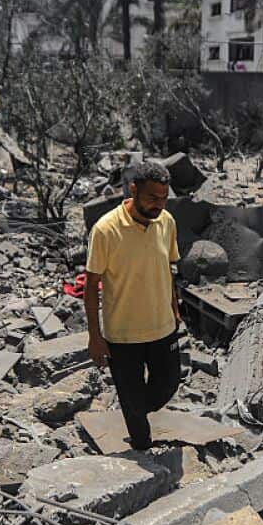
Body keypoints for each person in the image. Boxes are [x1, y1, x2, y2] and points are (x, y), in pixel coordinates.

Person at [84, 161, 182, 450]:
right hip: (123, 334)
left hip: (163, 326)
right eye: (152, 198)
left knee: (167, 386)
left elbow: (169, 269)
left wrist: (174, 308)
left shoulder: (166, 222)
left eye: (163, 198)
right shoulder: (105, 230)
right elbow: (90, 286)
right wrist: (95, 337)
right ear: (133, 189)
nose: (158, 205)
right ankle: (141, 449)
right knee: (133, 405)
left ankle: (137, 407)